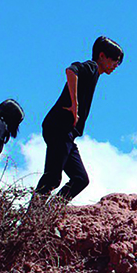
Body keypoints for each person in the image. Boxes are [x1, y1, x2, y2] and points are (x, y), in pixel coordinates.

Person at [34, 36, 123, 202]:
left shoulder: (95, 73)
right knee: (53, 177)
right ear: (102, 56)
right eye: (115, 60)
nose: (116, 66)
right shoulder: (91, 67)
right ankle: (33, 218)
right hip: (60, 126)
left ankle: (50, 211)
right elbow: (71, 70)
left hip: (68, 132)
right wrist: (75, 105)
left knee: (80, 179)